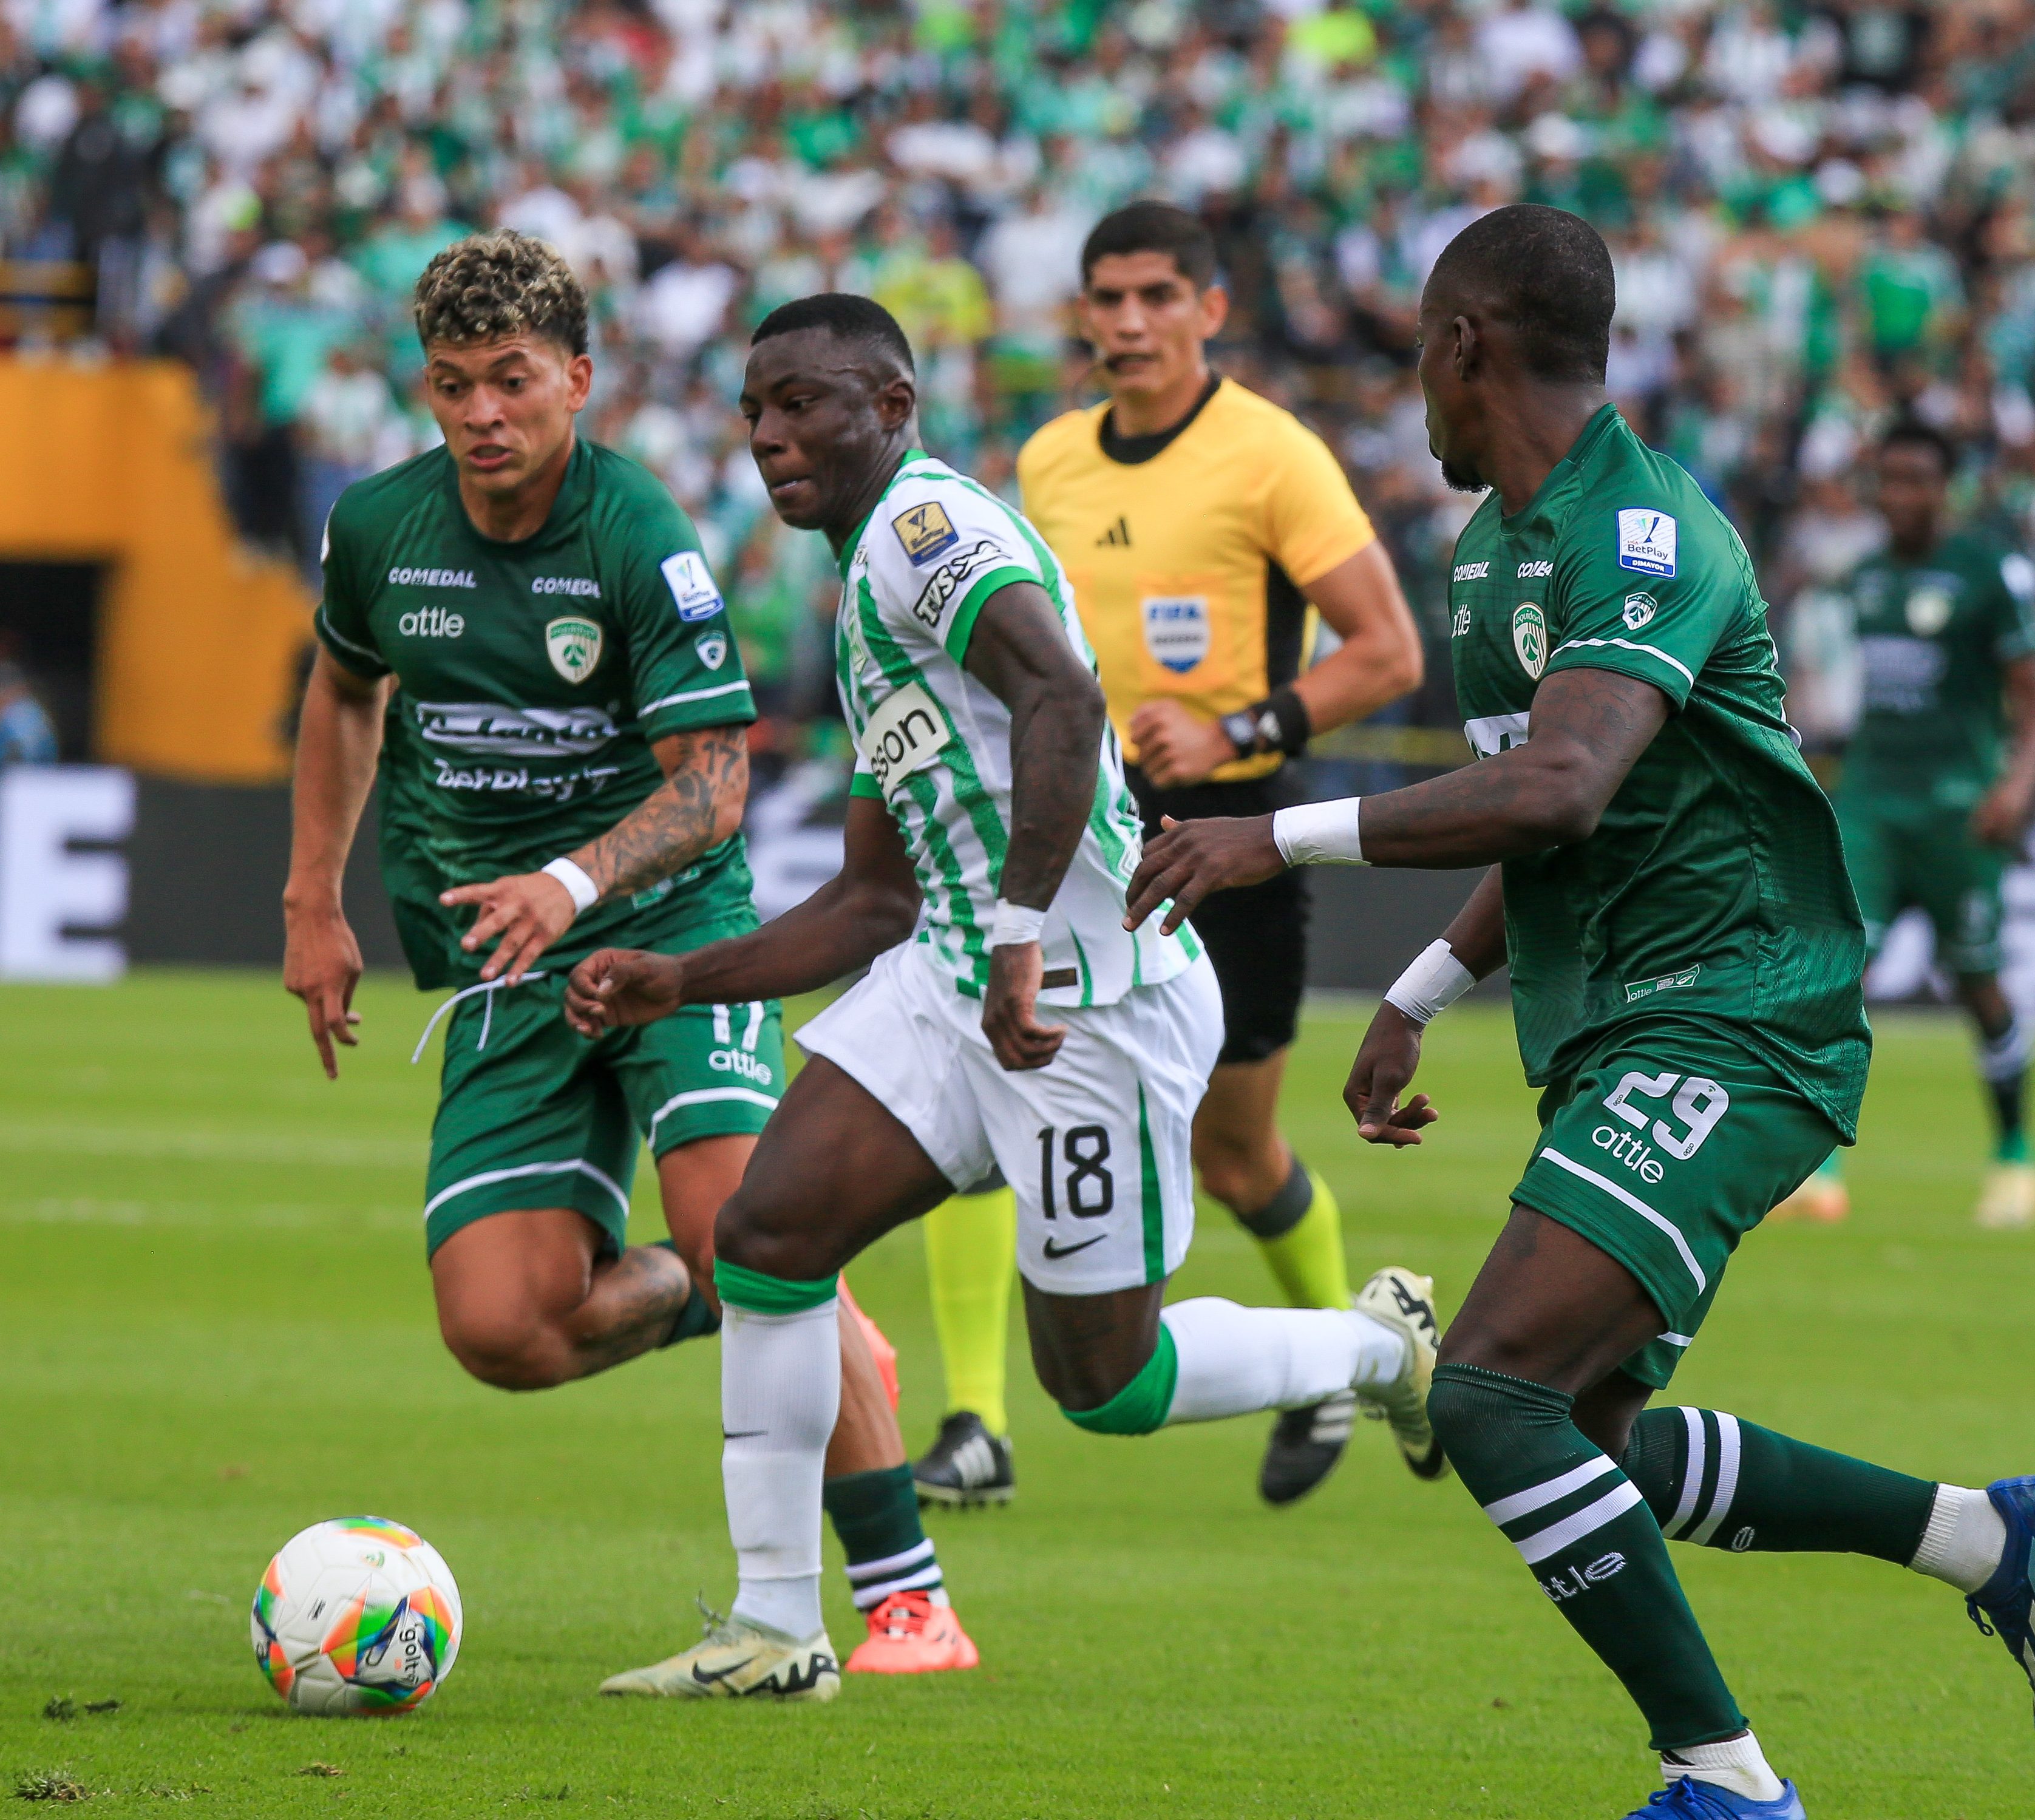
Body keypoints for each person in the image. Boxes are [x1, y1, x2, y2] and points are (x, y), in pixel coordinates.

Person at [1124, 206, 2035, 1820]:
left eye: (1417, 361)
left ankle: (1725, 1781)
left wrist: (1257, 828)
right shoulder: (1493, 545)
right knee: (1579, 1434)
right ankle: (1989, 1537)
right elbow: (1541, 800)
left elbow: (1564, 783)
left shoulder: (1642, 528)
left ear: (1465, 346)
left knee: (1488, 1388)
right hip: (1614, 1020)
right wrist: (1427, 986)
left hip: (1734, 1013)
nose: (1412, 400)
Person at [566, 294, 1444, 1703]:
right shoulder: (862, 584)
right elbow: (873, 899)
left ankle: (1374, 1343)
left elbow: (1063, 697)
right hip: (957, 982)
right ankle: (777, 1625)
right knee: (767, 1237)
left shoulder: (926, 533)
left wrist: (1025, 930)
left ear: (893, 405)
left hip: (1084, 1004)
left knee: (1109, 1385)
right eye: (755, 409)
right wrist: (679, 975)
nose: (771, 435)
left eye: (805, 402)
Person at [280, 231, 971, 1689]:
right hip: (501, 964)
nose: (482, 413)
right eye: (455, 384)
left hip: (672, 933)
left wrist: (574, 876)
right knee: (503, 1328)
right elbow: (343, 689)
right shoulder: (380, 528)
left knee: (753, 1220)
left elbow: (716, 783)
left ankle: (906, 1597)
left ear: (577, 381)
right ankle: (728, 1291)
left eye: (513, 381)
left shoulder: (639, 531)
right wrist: (311, 899)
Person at [911, 200, 1427, 1511]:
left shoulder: (1273, 454)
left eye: (1156, 295)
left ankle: (1349, 1362)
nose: (1128, 321)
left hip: (1229, 841)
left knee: (1236, 1152)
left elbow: (1389, 650)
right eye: (1106, 297)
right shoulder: (1046, 461)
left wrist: (1236, 727)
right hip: (1074, 836)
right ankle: (976, 1418)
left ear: (1209, 309)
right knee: (978, 1094)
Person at [1773, 421, 2035, 1229]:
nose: (1900, 496)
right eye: (1889, 480)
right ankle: (1819, 1168)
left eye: (1916, 480)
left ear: (1946, 488)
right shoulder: (1863, 580)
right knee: (1836, 973)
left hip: (1960, 809)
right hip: (1870, 802)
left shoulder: (1987, 572)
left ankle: (2015, 1156)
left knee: (1978, 983)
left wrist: (2018, 786)